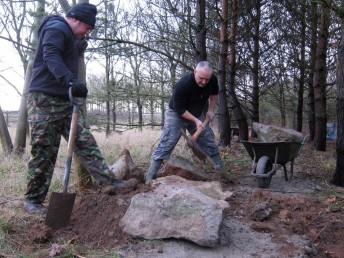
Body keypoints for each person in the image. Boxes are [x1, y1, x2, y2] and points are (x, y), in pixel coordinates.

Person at [24, 3, 132, 214]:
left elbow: (62, 53)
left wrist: (75, 48)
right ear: (77, 21)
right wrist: (70, 81)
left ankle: (108, 182)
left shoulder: (70, 36)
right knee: (44, 151)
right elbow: (51, 55)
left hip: (65, 100)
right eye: (87, 29)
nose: (87, 33)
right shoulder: (56, 28)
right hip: (44, 100)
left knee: (85, 141)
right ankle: (33, 201)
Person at [145, 61, 224, 184]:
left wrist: (211, 110)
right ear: (195, 72)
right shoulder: (183, 84)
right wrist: (196, 120)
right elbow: (179, 109)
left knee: (208, 139)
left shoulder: (212, 79)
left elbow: (214, 94)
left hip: (197, 113)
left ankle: (221, 172)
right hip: (176, 114)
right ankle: (150, 177)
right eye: (201, 78)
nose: (204, 82)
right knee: (168, 142)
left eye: (206, 79)